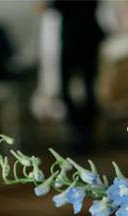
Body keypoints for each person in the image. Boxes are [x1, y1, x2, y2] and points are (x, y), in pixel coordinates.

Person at [52, 0, 104, 153]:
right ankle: (86, 131)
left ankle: (79, 130)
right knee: (89, 89)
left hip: (73, 40)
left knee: (69, 89)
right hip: (89, 39)